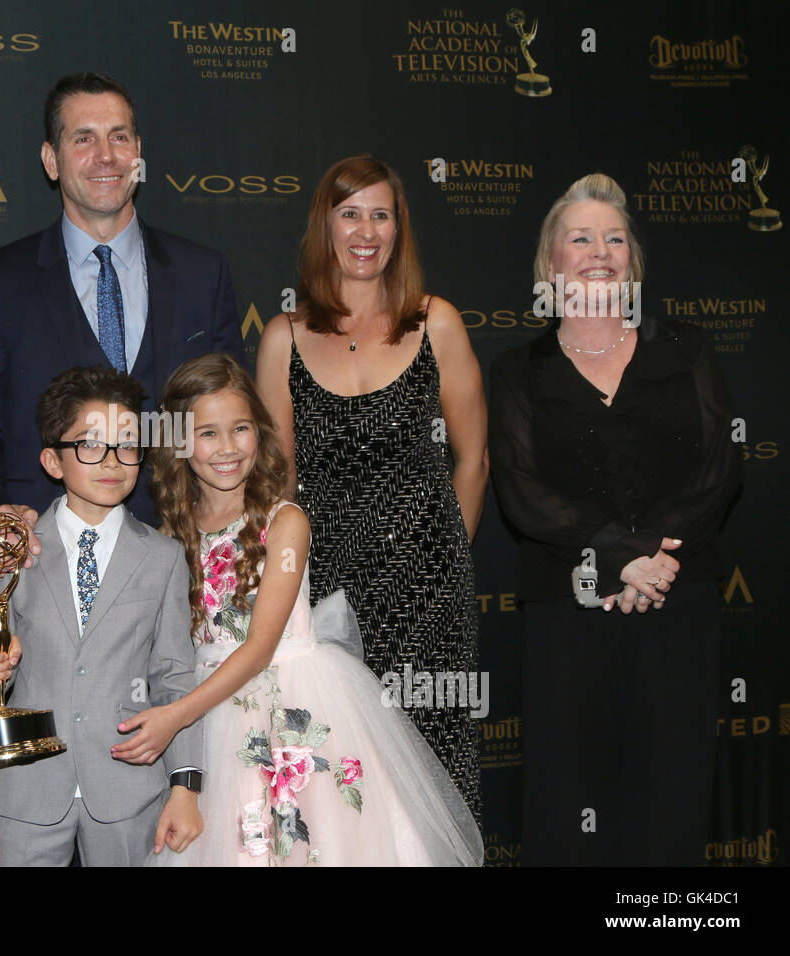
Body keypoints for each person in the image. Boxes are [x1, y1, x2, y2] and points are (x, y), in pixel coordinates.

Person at [114, 354, 482, 866]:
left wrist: (175, 716)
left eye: (240, 428)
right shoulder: (168, 537)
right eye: (208, 433)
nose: (227, 448)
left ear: (260, 433)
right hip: (208, 722)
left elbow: (261, 647)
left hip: (289, 707)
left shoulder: (285, 522)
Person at [489, 173, 742, 865]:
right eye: (580, 237)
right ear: (551, 263)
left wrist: (650, 564)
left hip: (677, 605)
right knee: (570, 811)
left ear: (632, 257)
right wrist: (622, 553)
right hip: (567, 619)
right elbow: (519, 489)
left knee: (672, 804)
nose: (599, 250)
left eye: (614, 237)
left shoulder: (686, 349)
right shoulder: (518, 371)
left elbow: (719, 469)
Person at [256, 156, 488, 819]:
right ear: (324, 228)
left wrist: (449, 563)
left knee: (437, 775)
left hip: (431, 602)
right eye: (350, 213)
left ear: (398, 228)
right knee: (347, 787)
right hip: (331, 603)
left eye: (380, 215)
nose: (366, 231)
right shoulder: (285, 339)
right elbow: (278, 488)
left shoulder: (434, 322)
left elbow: (473, 460)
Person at [0, 71, 244, 548]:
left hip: (184, 552)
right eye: (83, 138)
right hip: (44, 555)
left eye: (119, 137)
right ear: (51, 159)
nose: (106, 155)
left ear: (138, 153)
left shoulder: (202, 273)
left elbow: (230, 417)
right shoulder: (0, 279)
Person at [0, 365, 204, 866]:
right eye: (91, 445)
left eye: (126, 444)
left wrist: (185, 783)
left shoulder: (163, 557)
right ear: (53, 460)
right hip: (29, 782)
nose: (112, 461)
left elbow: (174, 676)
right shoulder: (14, 548)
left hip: (130, 785)